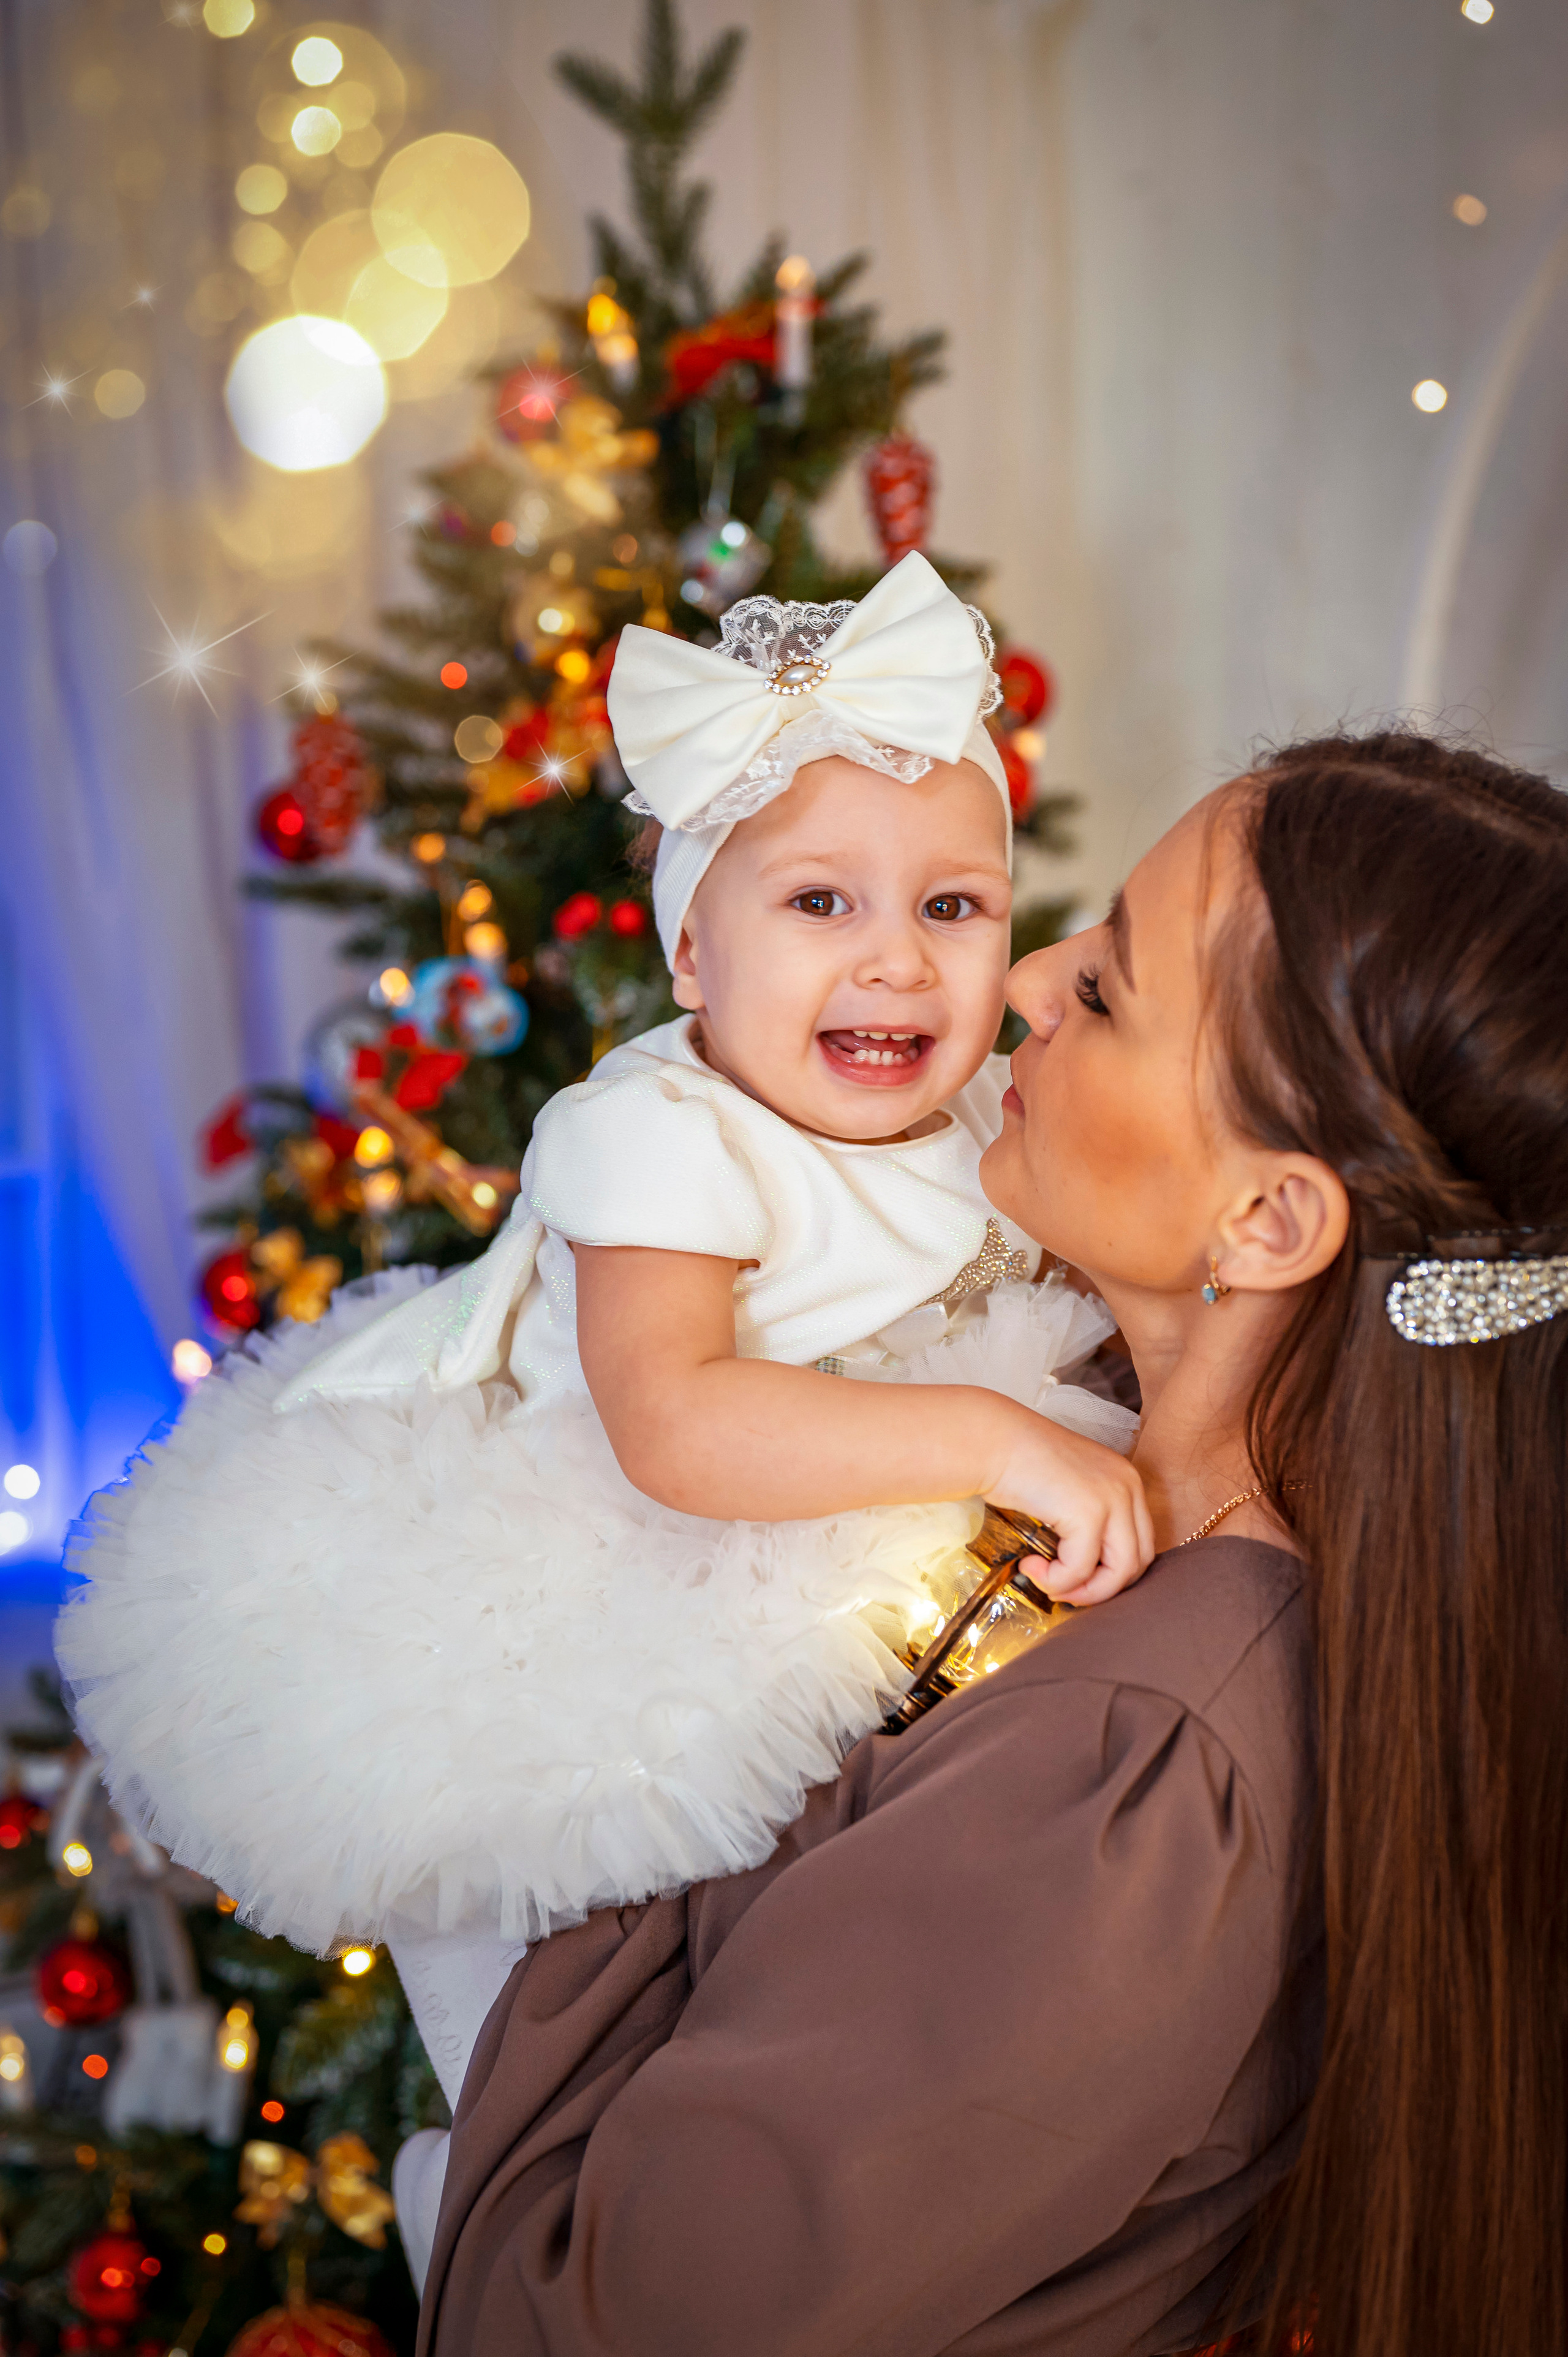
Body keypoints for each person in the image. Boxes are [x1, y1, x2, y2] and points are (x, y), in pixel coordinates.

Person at [414, 732, 1568, 2357]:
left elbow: (574, 2320)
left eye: (1107, 990)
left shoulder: (1136, 1766)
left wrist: (591, 1782)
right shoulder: (1035, 1432)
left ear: (1270, 1221)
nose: (1022, 978)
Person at [56, 551, 1147, 2102]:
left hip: (814, 1573)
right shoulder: (653, 1133)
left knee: (765, 1956)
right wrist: (997, 1437)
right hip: (552, 1560)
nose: (896, 957)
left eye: (951, 905)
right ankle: (493, 2194)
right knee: (523, 1931)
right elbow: (678, 1425)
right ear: (690, 954)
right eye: (818, 900)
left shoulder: (978, 1110)